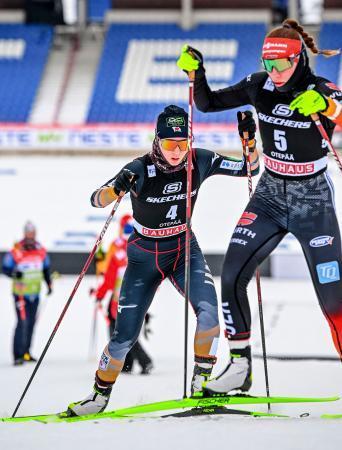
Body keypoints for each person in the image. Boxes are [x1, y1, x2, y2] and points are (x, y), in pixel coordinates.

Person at [177, 18, 342, 396]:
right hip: (269, 194)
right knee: (231, 275)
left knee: (333, 302)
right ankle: (240, 367)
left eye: (282, 64)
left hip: (312, 198)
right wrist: (196, 73)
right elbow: (208, 103)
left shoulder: (321, 89)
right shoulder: (258, 85)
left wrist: (329, 108)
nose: (275, 72)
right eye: (269, 64)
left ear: (299, 59)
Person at [66, 104, 259, 416]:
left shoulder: (201, 160)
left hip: (185, 249)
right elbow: (96, 199)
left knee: (210, 315)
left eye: (183, 143)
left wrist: (250, 143)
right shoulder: (140, 168)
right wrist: (116, 188)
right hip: (145, 256)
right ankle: (98, 397)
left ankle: (201, 386)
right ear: (157, 141)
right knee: (124, 337)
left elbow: (251, 169)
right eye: (170, 144)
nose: (177, 151)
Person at [91, 213, 153, 374]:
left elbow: (109, 277)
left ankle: (143, 361)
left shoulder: (118, 250)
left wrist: (100, 294)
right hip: (136, 298)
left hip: (119, 300)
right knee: (126, 330)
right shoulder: (143, 246)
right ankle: (128, 363)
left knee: (120, 333)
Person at [2, 221, 52, 366]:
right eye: (28, 233)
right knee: (22, 322)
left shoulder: (40, 250)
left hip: (35, 294)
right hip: (21, 294)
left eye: (33, 233)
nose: (31, 235)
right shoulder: (17, 250)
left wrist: (49, 284)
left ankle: (26, 352)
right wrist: (14, 273)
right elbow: (5, 268)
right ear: (24, 233)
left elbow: (46, 269)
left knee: (31, 323)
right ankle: (18, 355)